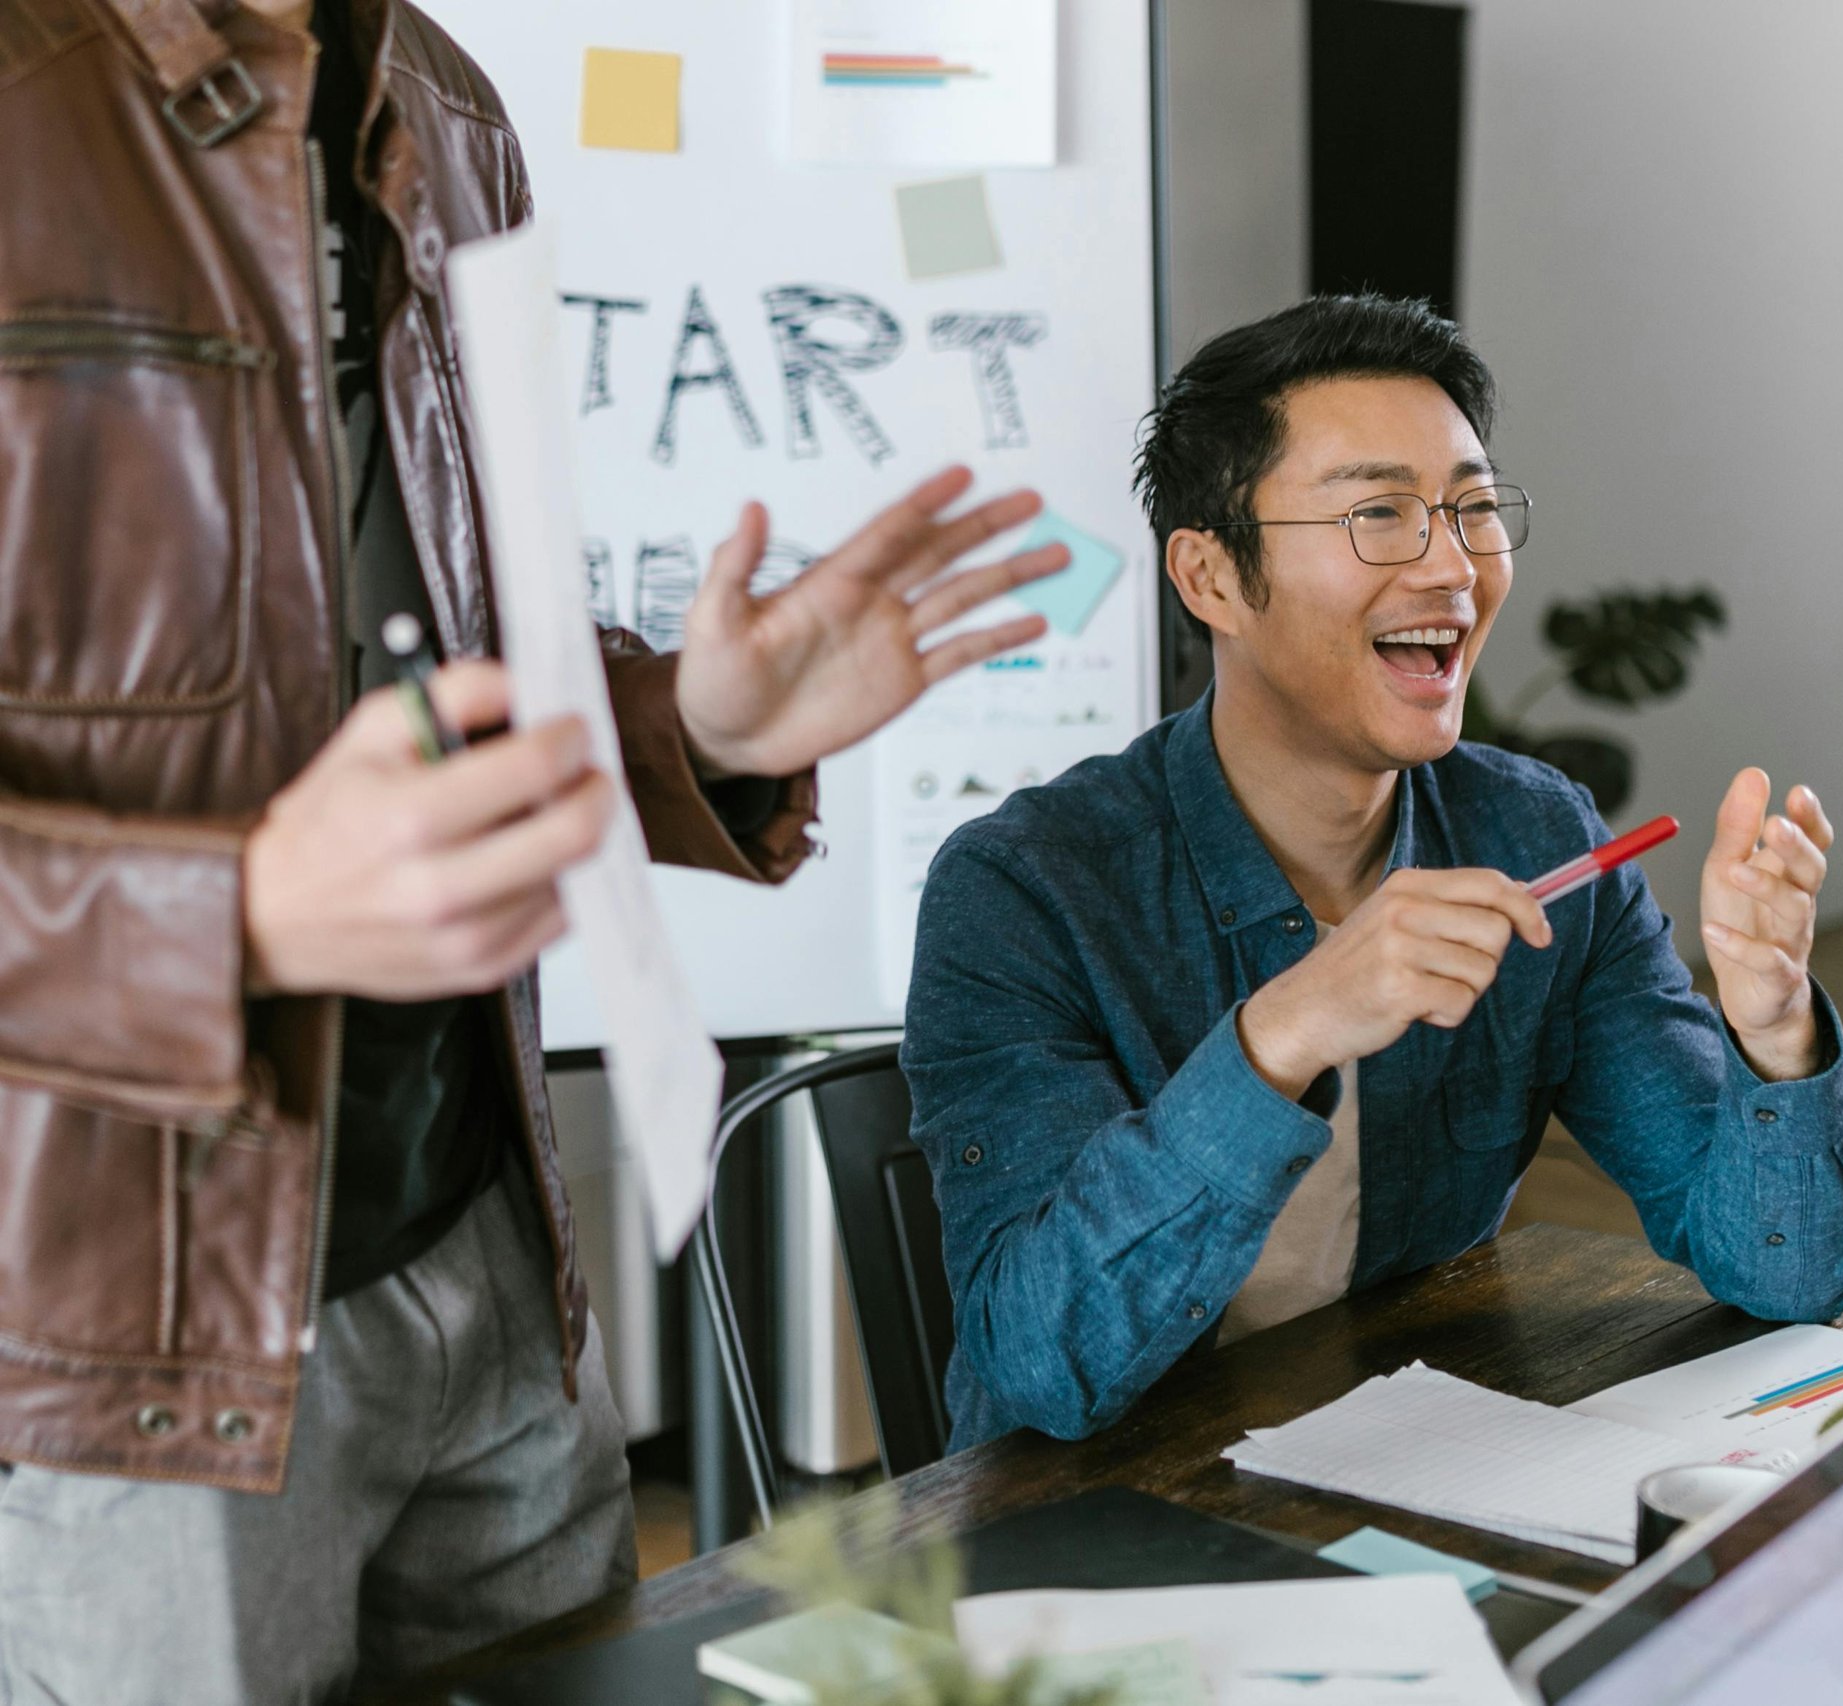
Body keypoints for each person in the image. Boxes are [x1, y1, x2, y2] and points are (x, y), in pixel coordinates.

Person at [0, 1, 1062, 1699]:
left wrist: (697, 727)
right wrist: (245, 910)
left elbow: (448, 646)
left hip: (485, 1239)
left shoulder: (442, 95)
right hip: (130, 1328)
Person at [904, 294, 1843, 1451]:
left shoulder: (1533, 834)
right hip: (1084, 1528)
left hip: (1401, 1454)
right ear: (1210, 576)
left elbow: (1786, 1274)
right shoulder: (1023, 888)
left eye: (1471, 508)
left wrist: (1775, 1027)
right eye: (1378, 512)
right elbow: (1038, 1364)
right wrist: (1289, 1030)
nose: (1452, 567)